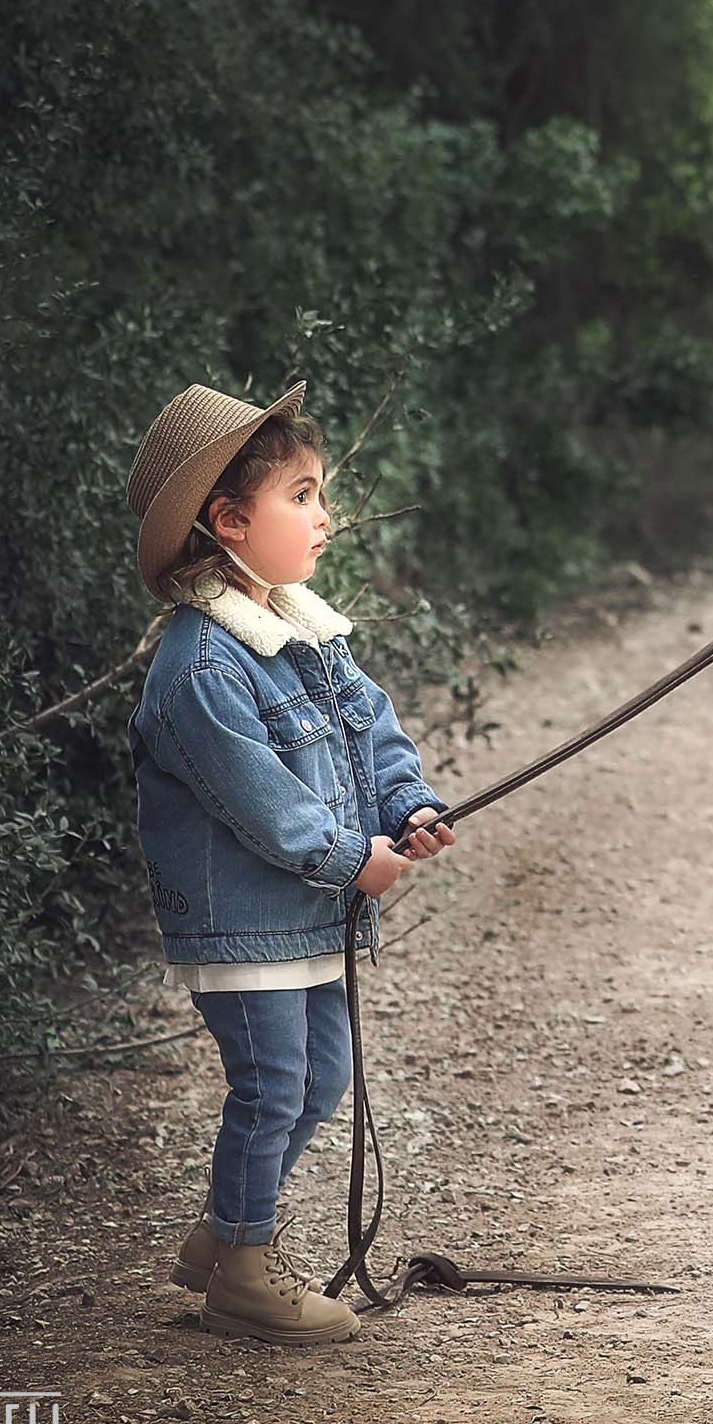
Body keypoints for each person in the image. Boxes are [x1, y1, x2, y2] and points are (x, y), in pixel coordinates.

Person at [123, 381, 458, 1344]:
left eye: (318, 493)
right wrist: (354, 858)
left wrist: (410, 805)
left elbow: (371, 729)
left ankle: (222, 1235)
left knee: (321, 1075)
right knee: (273, 1081)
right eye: (303, 496)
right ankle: (243, 1270)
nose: (326, 515)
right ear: (229, 522)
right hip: (245, 920)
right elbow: (263, 804)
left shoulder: (303, 630)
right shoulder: (200, 668)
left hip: (306, 912)